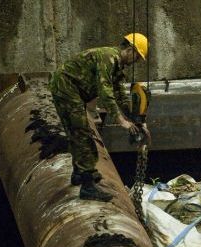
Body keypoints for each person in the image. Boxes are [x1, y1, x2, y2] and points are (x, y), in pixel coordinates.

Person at [49, 33, 151, 202]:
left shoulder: (117, 67)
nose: (136, 61)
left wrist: (137, 119)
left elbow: (120, 95)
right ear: (131, 50)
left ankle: (79, 172)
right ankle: (87, 186)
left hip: (73, 90)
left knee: (77, 129)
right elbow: (105, 93)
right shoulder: (108, 58)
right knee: (82, 132)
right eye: (137, 57)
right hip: (66, 88)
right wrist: (121, 121)